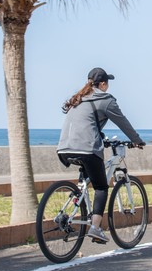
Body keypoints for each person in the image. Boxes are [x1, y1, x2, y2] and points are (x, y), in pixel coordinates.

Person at [57, 67, 145, 243]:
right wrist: (136, 140)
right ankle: (95, 228)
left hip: (64, 148)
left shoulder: (79, 98)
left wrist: (101, 138)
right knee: (101, 187)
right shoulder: (105, 99)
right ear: (103, 83)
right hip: (86, 149)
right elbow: (123, 122)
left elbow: (86, 124)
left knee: (85, 182)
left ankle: (75, 204)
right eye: (107, 83)